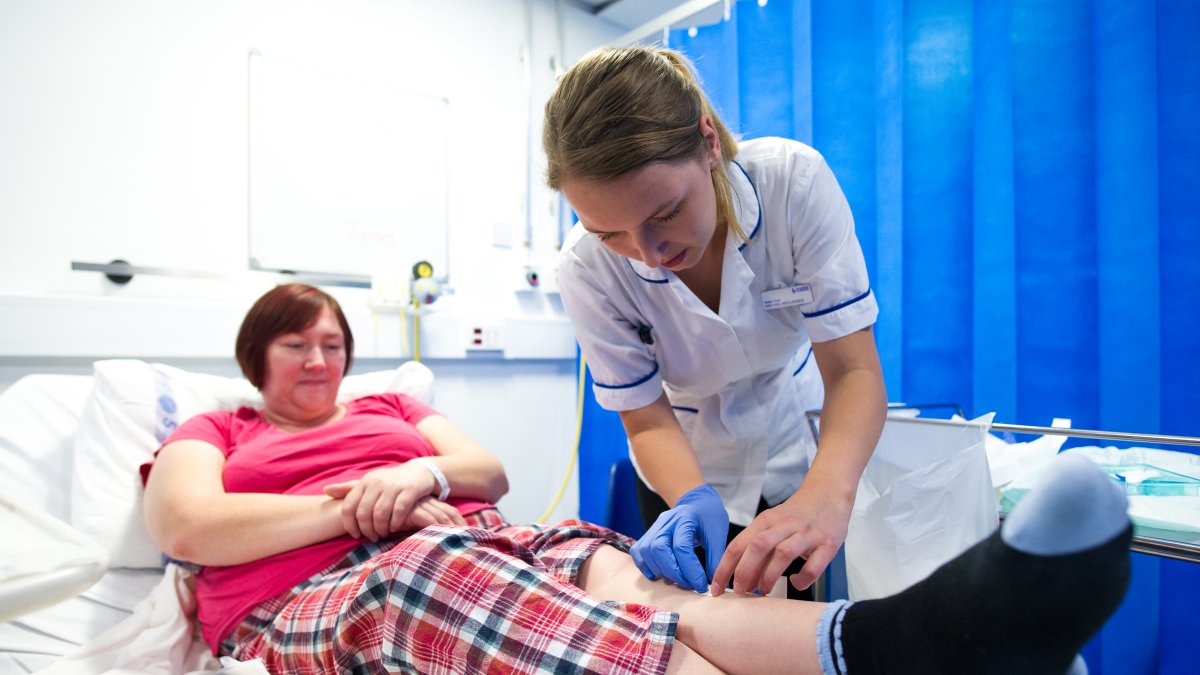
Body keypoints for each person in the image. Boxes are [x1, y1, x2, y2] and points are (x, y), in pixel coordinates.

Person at [142, 283, 1132, 674]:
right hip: (318, 593)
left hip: (456, 535)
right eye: (294, 346)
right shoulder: (218, 427)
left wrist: (417, 473)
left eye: (332, 344)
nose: (319, 362)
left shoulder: (387, 411)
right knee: (426, 578)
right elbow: (189, 528)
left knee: (607, 562)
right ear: (252, 358)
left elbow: (483, 470)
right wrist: (357, 502)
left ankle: (897, 644)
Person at [544, 46, 886, 599]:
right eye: (611, 234)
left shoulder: (792, 185)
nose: (648, 254)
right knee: (698, 631)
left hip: (797, 443)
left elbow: (853, 372)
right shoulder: (585, 267)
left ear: (707, 143)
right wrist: (690, 496)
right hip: (682, 459)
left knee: (797, 622)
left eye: (665, 214)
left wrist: (828, 491)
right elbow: (646, 418)